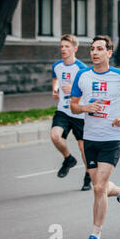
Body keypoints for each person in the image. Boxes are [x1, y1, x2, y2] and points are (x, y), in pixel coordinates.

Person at [70, 35, 120, 239]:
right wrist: (85, 108)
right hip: (90, 138)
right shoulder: (82, 76)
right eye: (92, 49)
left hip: (112, 138)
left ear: (109, 53)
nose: (94, 53)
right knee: (99, 187)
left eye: (100, 49)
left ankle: (95, 238)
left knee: (99, 187)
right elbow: (73, 106)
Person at [51, 34, 91, 191]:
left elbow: (88, 91)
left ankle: (88, 176)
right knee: (55, 136)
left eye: (67, 46)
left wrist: (74, 89)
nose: (63, 49)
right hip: (63, 111)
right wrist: (55, 89)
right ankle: (68, 159)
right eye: (61, 46)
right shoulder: (56, 66)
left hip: (79, 113)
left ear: (75, 48)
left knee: (83, 149)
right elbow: (55, 79)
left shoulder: (81, 68)